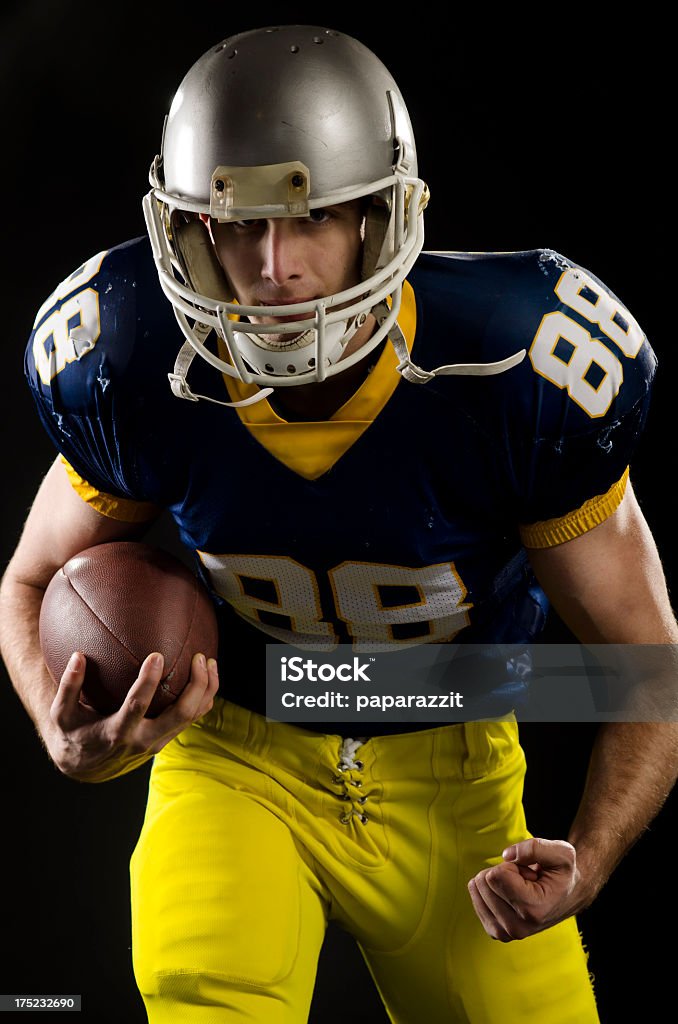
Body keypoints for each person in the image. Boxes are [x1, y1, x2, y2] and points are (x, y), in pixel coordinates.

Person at [1, 22, 676, 1024]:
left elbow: (642, 659)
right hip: (233, 750)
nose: (273, 267)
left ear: (380, 216)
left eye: (309, 218)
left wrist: (590, 858)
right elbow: (27, 580)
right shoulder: (134, 356)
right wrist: (59, 728)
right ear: (184, 230)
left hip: (455, 773)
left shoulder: (513, 368)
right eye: (236, 226)